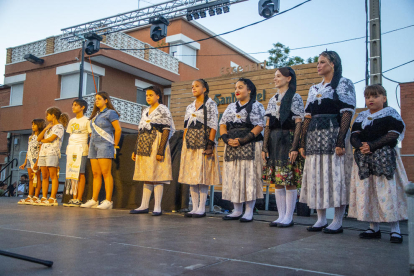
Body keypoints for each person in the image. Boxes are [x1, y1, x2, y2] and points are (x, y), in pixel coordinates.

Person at [299, 50, 356, 234]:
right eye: (318, 62)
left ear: (333, 64)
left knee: (335, 176)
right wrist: (303, 142)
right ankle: (320, 219)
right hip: (315, 137)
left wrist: (340, 140)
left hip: (333, 133)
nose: (318, 65)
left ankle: (337, 220)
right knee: (317, 177)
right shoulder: (314, 88)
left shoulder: (343, 83)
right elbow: (307, 117)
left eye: (322, 62)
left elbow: (347, 112)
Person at [349, 84, 408, 243]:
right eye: (367, 97)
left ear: (384, 98)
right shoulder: (361, 116)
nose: (370, 100)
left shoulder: (390, 114)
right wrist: (361, 146)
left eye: (374, 96)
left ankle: (395, 230)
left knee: (387, 192)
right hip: (365, 158)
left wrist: (372, 145)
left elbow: (393, 134)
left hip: (385, 158)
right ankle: (373, 227)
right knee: (369, 191)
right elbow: (354, 135)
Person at [262, 67, 305, 227]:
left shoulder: (295, 97)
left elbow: (299, 123)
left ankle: (289, 217)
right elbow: (267, 125)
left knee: (289, 179)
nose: (275, 79)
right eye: (275, 76)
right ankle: (280, 216)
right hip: (274, 140)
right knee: (278, 180)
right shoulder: (273, 99)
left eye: (278, 76)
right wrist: (265, 146)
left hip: (288, 139)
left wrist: (295, 147)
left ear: (289, 78)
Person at [219, 78, 265, 222]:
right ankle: (237, 209)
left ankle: (249, 210)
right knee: (234, 177)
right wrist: (226, 139)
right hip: (232, 145)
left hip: (249, 144)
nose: (237, 91)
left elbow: (260, 125)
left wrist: (244, 140)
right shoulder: (231, 107)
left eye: (240, 87)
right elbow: (222, 124)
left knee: (249, 177)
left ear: (249, 90)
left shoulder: (257, 106)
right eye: (235, 88)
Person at [178, 79, 221, 218]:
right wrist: (184, 143)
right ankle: (194, 207)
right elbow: (186, 126)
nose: (193, 88)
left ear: (205, 89)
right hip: (190, 142)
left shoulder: (210, 104)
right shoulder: (190, 106)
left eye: (197, 86)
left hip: (203, 141)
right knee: (192, 175)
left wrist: (210, 144)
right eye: (192, 87)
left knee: (202, 174)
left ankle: (202, 207)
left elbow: (214, 125)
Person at [130, 86, 174, 216]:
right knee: (147, 176)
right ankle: (144, 205)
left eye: (151, 95)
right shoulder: (145, 111)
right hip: (144, 143)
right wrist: (135, 149)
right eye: (147, 95)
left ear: (158, 96)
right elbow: (141, 130)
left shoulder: (163, 110)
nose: (148, 97)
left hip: (157, 142)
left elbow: (166, 129)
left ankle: (157, 207)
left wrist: (161, 150)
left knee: (157, 175)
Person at [81, 92, 122, 210]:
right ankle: (94, 199)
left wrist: (115, 145)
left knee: (106, 173)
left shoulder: (111, 113)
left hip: (105, 144)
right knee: (95, 173)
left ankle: (108, 201)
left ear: (106, 100)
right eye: (95, 99)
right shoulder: (95, 115)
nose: (96, 101)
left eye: (99, 99)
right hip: (93, 145)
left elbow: (118, 129)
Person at [36, 107, 69, 206]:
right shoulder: (49, 127)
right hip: (43, 153)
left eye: (47, 115)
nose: (46, 117)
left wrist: (42, 140)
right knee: (44, 176)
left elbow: (50, 139)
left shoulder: (59, 127)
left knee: (53, 175)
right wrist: (45, 129)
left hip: (52, 152)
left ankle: (53, 197)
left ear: (53, 115)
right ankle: (44, 197)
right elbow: (38, 138)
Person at [63, 99, 92, 207]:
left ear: (82, 107)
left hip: (81, 148)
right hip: (71, 148)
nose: (73, 107)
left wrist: (88, 148)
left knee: (80, 172)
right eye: (72, 105)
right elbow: (71, 135)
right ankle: (73, 197)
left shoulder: (87, 120)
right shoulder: (71, 121)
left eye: (75, 105)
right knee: (72, 172)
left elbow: (90, 135)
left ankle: (79, 198)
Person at [17, 119, 45, 205]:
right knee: (31, 177)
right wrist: (25, 162)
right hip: (29, 158)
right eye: (32, 124)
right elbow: (28, 150)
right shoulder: (30, 137)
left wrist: (37, 162)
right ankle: (30, 195)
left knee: (37, 176)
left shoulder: (41, 136)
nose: (32, 126)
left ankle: (36, 196)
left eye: (35, 124)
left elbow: (41, 149)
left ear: (39, 125)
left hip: (36, 158)